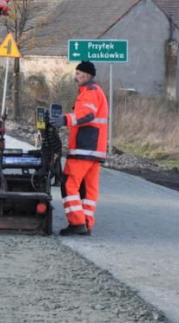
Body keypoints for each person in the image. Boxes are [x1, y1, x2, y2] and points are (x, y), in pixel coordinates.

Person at [51, 60, 108, 236]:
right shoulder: (97, 92)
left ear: (87, 75)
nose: (76, 77)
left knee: (69, 184)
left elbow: (86, 114)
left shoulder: (90, 93)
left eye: (78, 74)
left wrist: (64, 119)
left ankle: (77, 223)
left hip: (84, 148)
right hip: (94, 150)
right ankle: (87, 223)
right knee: (88, 188)